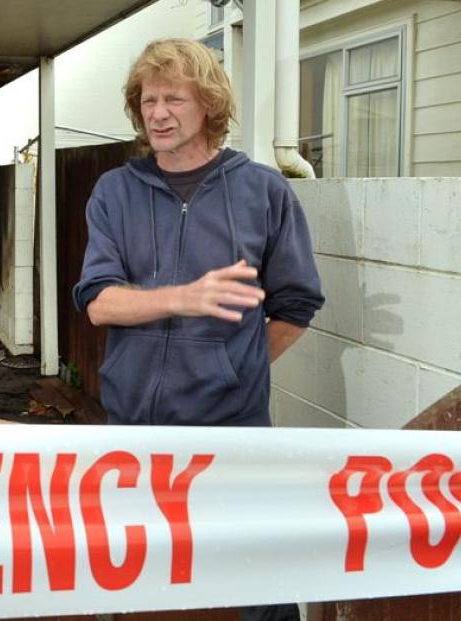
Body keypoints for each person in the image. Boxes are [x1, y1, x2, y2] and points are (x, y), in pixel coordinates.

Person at [72, 39, 324, 621]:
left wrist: (238, 367)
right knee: (135, 577)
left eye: (173, 99)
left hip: (232, 433)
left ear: (207, 104)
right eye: (147, 100)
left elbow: (296, 304)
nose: (157, 113)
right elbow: (100, 303)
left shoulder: (264, 190)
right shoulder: (115, 192)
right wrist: (186, 298)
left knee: (258, 583)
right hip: (134, 426)